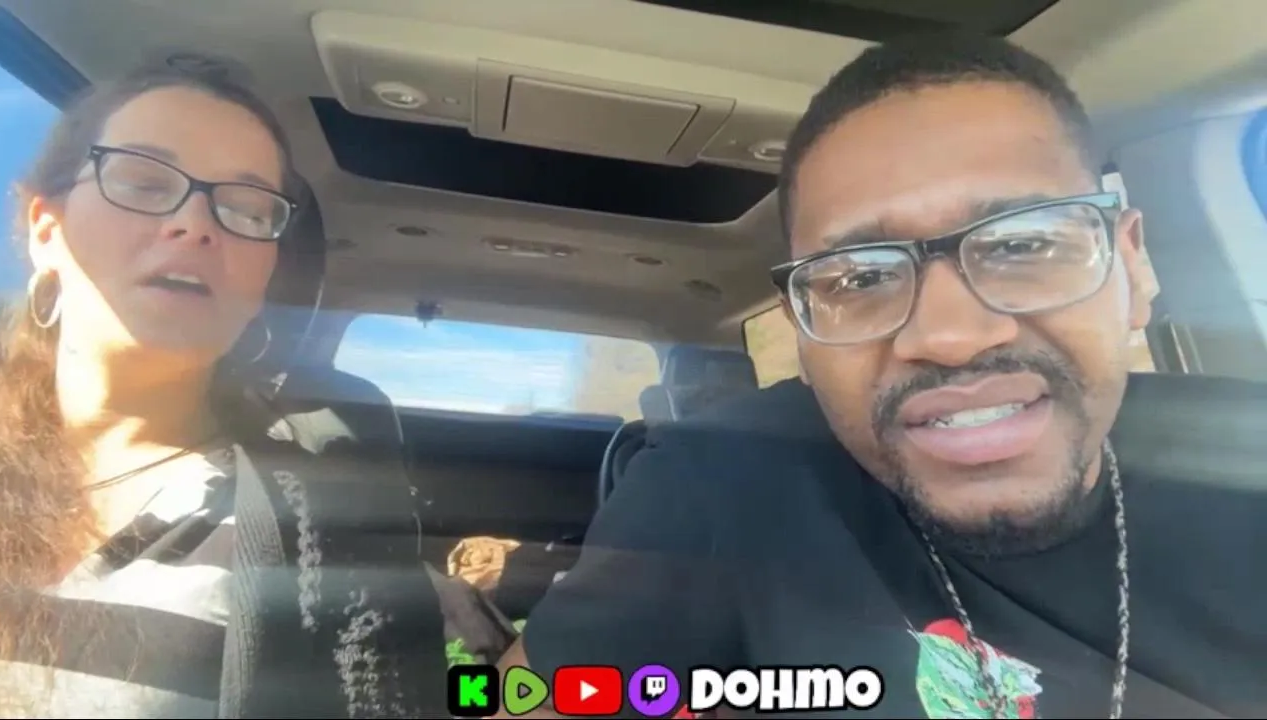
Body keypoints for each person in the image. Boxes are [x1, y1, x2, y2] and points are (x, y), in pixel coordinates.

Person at [498, 33, 1267, 719]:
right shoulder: (723, 480)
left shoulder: (1248, 462)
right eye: (861, 277)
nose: (951, 338)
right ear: (803, 332)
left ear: (1133, 268)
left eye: (1024, 245)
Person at [0, 67, 448, 719]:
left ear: (265, 275)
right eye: (144, 182)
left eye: (246, 209)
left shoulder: (321, 531)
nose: (195, 224)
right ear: (47, 229)